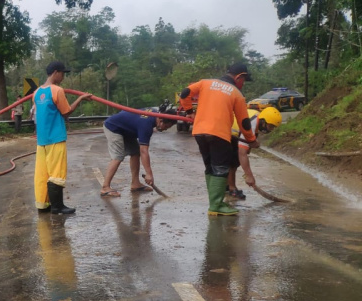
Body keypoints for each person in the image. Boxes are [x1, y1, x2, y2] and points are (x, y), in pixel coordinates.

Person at [179, 63, 259, 216]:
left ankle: (214, 203)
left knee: (210, 167)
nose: (243, 84)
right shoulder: (236, 94)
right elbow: (244, 122)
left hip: (199, 133)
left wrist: (189, 111)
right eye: (243, 80)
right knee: (221, 168)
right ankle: (216, 206)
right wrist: (251, 140)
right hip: (219, 134)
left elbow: (185, 93)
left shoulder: (205, 83)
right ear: (238, 77)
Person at [33, 60, 94, 215]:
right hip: (55, 138)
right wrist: (80, 98)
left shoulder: (37, 92)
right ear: (56, 72)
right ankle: (57, 207)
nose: (63, 78)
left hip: (41, 140)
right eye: (63, 74)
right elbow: (66, 112)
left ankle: (43, 205)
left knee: (42, 173)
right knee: (56, 172)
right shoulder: (57, 90)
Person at [99, 104, 177, 197]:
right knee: (118, 156)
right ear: (161, 121)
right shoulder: (146, 125)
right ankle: (105, 187)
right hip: (114, 127)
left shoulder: (155, 114)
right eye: (166, 127)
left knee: (135, 152)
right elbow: (144, 151)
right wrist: (149, 174)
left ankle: (135, 183)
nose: (165, 129)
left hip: (127, 130)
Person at [226, 106, 282, 198]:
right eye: (270, 126)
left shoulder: (257, 118)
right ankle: (232, 189)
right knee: (232, 162)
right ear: (263, 121)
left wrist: (251, 145)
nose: (271, 130)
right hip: (226, 133)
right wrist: (249, 176)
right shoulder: (251, 124)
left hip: (232, 133)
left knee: (233, 161)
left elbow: (247, 146)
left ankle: (228, 185)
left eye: (273, 128)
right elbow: (242, 153)